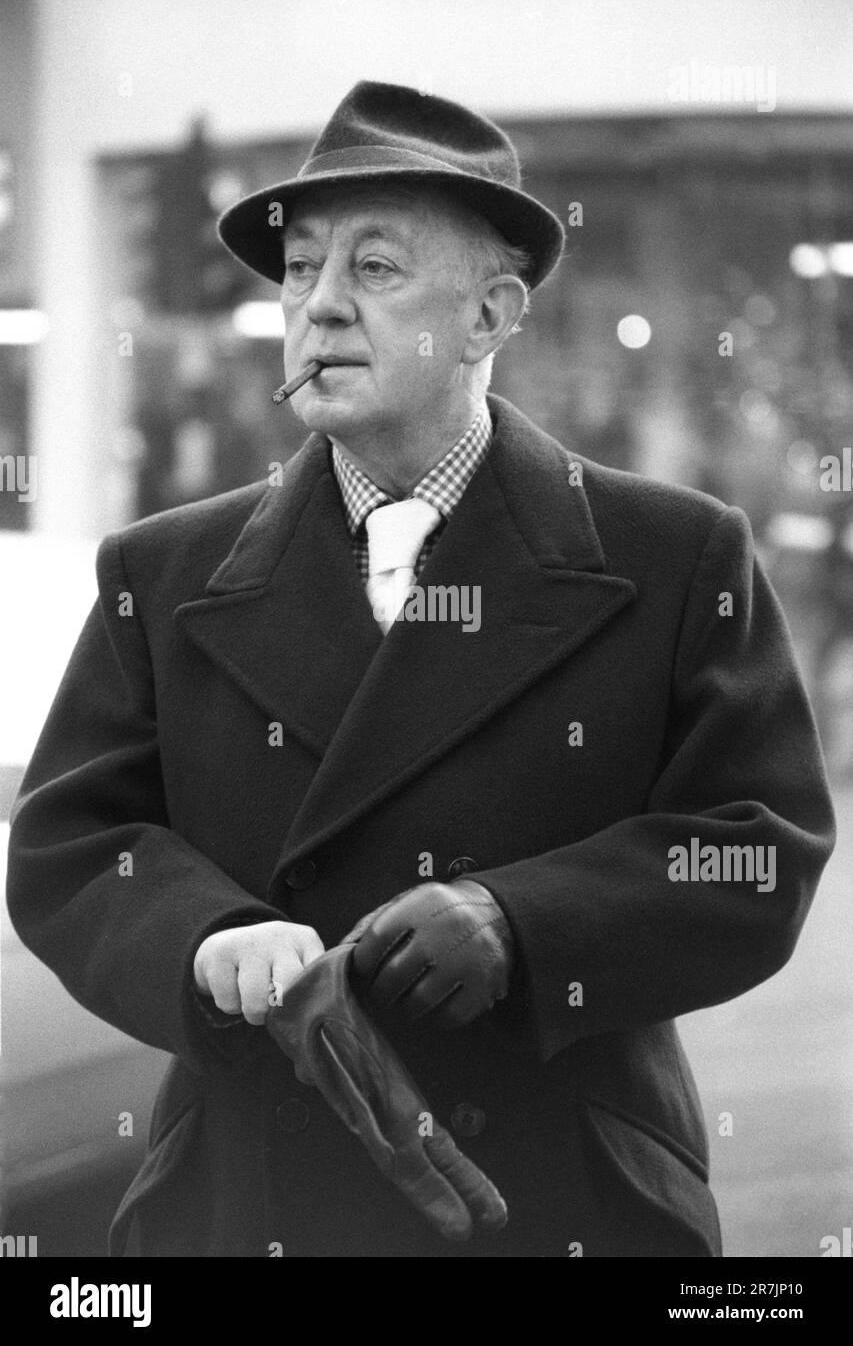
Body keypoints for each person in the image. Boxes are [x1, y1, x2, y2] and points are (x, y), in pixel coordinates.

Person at [6, 81, 835, 1258]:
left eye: (376, 270)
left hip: (560, 1201)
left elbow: (758, 843)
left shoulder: (673, 554)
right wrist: (205, 938)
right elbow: (70, 847)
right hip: (247, 1207)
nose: (319, 308)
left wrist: (523, 920)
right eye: (299, 269)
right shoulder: (164, 569)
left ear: (492, 315)